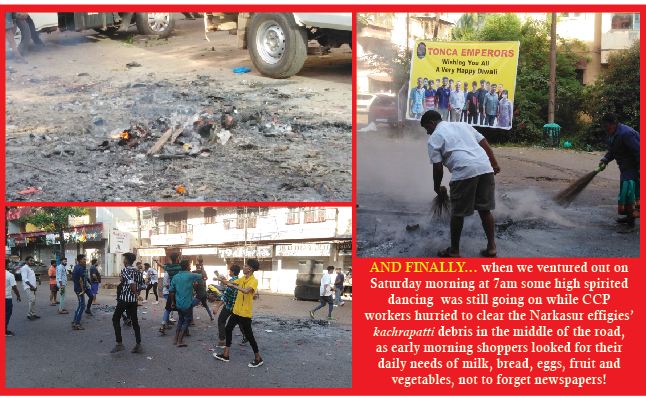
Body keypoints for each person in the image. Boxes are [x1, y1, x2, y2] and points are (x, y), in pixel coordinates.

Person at [421, 110, 501, 258]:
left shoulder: (434, 138)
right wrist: (494, 164)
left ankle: (454, 250)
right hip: (485, 168)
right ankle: (492, 247)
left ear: (432, 123)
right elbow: (484, 142)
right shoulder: (463, 125)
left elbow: (438, 167)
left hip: (464, 172)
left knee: (457, 214)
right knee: (485, 210)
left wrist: (436, 187)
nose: (427, 133)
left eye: (427, 128)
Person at [213, 259, 264, 368]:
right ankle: (226, 354)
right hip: (236, 311)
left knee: (250, 336)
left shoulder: (253, 281)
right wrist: (221, 280)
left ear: (249, 269)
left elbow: (246, 290)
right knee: (228, 329)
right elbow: (229, 283)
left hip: (245, 314)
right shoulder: (242, 279)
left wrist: (233, 286)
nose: (243, 267)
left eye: (245, 266)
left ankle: (258, 358)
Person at [598, 113, 640, 228]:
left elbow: (639, 151)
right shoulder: (613, 134)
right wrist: (605, 159)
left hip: (633, 168)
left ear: (613, 124)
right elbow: (613, 150)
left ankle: (631, 224)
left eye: (607, 126)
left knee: (628, 195)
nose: (605, 129)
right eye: (604, 127)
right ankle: (628, 217)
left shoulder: (626, 133)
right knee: (625, 194)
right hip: (625, 168)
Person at [111, 253, 144, 354]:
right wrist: (137, 294)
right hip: (133, 301)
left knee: (115, 319)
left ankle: (119, 344)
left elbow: (131, 283)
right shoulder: (137, 271)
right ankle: (138, 344)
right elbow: (141, 284)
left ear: (126, 261)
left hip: (124, 299)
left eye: (124, 259)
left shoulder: (125, 270)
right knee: (135, 322)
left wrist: (135, 293)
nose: (123, 260)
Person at [168, 259, 201, 348]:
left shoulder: (176, 277)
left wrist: (173, 303)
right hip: (187, 303)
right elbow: (203, 276)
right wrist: (200, 267)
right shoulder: (190, 275)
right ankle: (180, 341)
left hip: (178, 303)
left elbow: (171, 291)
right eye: (189, 265)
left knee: (180, 320)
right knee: (186, 321)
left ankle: (175, 339)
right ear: (187, 266)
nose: (190, 267)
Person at [216, 264, 241, 348]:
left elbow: (225, 297)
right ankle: (245, 336)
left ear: (233, 272)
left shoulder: (232, 282)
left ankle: (222, 340)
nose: (229, 272)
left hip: (229, 306)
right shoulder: (239, 280)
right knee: (239, 322)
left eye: (230, 271)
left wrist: (217, 307)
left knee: (221, 321)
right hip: (236, 307)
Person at [159, 252, 182, 333]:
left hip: (171, 291)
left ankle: (162, 325)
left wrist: (157, 262)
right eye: (179, 257)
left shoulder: (168, 267)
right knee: (181, 309)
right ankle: (182, 328)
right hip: (179, 291)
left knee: (167, 309)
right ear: (177, 258)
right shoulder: (180, 267)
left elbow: (162, 266)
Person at [192, 257, 214, 321]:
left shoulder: (196, 274)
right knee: (206, 305)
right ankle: (211, 317)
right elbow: (205, 277)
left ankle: (191, 320)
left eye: (198, 265)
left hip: (200, 294)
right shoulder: (200, 274)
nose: (197, 266)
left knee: (190, 306)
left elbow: (195, 286)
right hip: (204, 293)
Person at [71, 254, 89, 330]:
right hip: (79, 289)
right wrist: (83, 290)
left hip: (77, 288)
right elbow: (81, 280)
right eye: (84, 259)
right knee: (82, 306)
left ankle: (75, 320)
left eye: (85, 259)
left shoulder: (76, 267)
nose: (85, 260)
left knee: (80, 305)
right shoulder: (80, 268)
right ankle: (76, 324)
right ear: (80, 260)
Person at [6, 262, 22, 336]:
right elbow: (14, 287)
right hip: (6, 298)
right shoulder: (9, 275)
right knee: (7, 314)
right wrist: (18, 296)